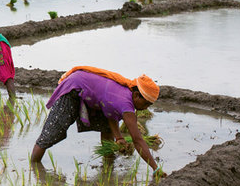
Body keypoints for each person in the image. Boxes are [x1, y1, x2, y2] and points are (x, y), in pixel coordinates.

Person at [30, 66, 165, 177]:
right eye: (146, 104)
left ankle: (108, 168)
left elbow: (110, 113)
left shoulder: (125, 94)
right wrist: (155, 168)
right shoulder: (126, 103)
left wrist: (118, 137)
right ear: (136, 95)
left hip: (90, 93)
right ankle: (34, 168)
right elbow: (137, 140)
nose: (146, 108)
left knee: (106, 128)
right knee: (52, 132)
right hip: (74, 88)